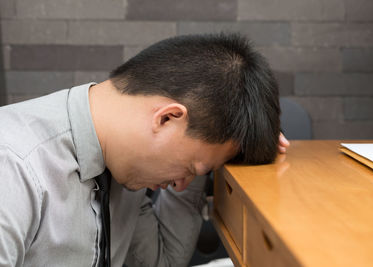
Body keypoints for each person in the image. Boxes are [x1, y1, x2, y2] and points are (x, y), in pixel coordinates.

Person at [0, 33, 289, 266]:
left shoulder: (120, 166)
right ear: (166, 118)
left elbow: (162, 260)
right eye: (190, 170)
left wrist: (237, 142)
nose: (180, 185)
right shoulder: (13, 166)